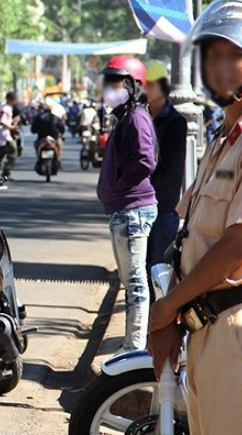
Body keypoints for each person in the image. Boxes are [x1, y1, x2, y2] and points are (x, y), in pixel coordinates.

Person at [148, 0, 242, 435]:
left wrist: (167, 307)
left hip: (236, 333)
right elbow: (189, 236)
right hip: (204, 329)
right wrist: (172, 314)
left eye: (234, 55)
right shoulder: (222, 139)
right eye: (212, 56)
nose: (221, 67)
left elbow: (237, 245)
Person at [97, 55, 158, 354]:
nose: (108, 88)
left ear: (133, 85)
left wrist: (119, 185)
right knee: (129, 281)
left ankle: (134, 348)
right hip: (123, 211)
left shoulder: (136, 117)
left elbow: (146, 160)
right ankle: (131, 345)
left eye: (115, 82)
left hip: (132, 210)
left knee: (135, 284)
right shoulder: (125, 117)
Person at [144, 60, 187, 275]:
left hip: (163, 207)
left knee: (158, 270)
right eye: (143, 84)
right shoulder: (139, 117)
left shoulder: (175, 122)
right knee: (137, 271)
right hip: (138, 205)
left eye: (150, 84)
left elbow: (164, 163)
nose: (146, 89)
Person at [0, 92, 20, 180]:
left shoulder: (7, 108)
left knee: (1, 154)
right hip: (5, 135)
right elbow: (3, 122)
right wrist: (12, 127)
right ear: (11, 100)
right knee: (13, 153)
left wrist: (13, 121)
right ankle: (6, 172)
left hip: (3, 135)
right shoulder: (6, 109)